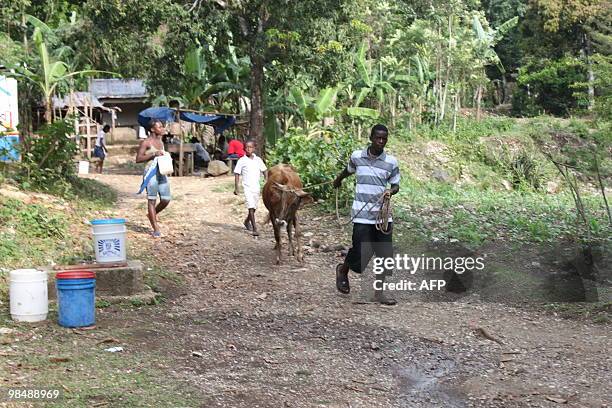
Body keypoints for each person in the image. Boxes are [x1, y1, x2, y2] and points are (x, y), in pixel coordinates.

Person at [333, 124, 400, 305]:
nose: (381, 141)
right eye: (378, 138)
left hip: (382, 216)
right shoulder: (357, 157)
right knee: (360, 251)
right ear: (371, 137)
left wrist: (390, 192)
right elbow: (348, 171)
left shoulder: (391, 162)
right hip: (362, 215)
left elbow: (396, 184)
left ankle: (379, 293)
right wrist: (337, 180)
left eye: (384, 138)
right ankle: (343, 270)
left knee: (385, 255)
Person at [136, 119, 171, 238]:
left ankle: (151, 214)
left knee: (166, 199)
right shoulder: (146, 142)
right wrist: (153, 154)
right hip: (151, 173)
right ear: (152, 129)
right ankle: (156, 228)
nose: (162, 129)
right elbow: (138, 159)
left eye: (162, 127)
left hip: (161, 172)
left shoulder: (160, 142)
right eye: (159, 127)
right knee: (152, 200)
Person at [233, 140, 267, 236]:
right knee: (250, 206)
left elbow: (264, 170)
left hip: (256, 187)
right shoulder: (242, 160)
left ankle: (247, 221)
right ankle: (255, 228)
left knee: (254, 207)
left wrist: (266, 180)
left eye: (251, 147)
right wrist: (236, 187)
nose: (248, 149)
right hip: (247, 187)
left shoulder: (258, 160)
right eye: (247, 147)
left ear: (254, 148)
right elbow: (237, 174)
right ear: (244, 148)